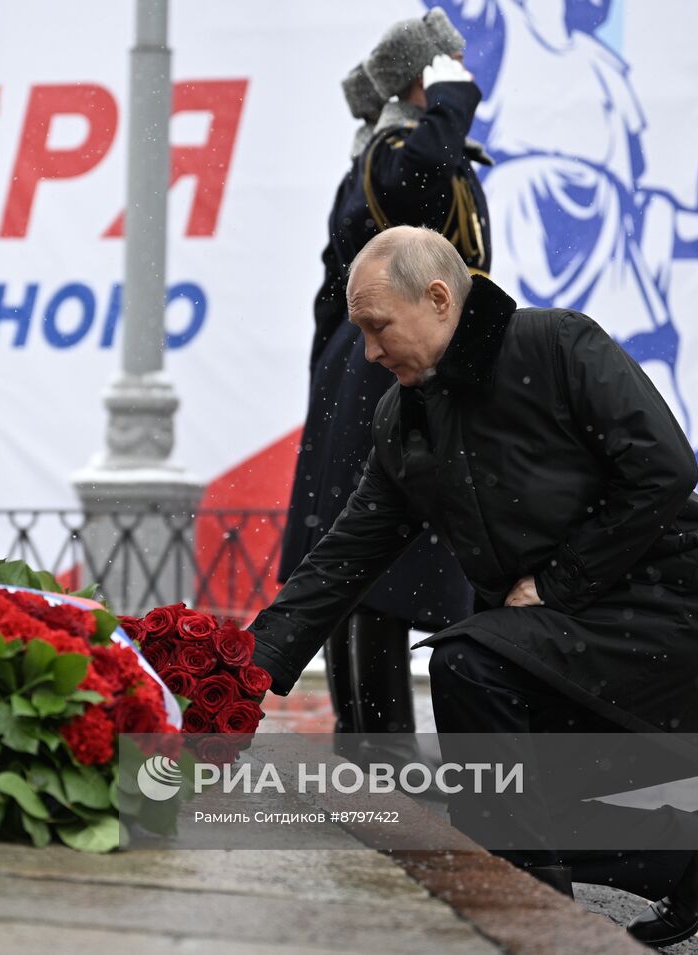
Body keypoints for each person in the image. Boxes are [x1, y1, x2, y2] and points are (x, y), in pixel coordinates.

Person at [252, 225, 698, 948]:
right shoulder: (405, 419)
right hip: (559, 625)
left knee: (468, 668)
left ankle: (536, 915)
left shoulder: (556, 344)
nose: (368, 350)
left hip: (658, 611)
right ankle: (684, 856)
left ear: (437, 298)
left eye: (377, 326)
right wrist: (245, 669)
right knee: (501, 800)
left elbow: (664, 469)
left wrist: (559, 580)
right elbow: (348, 552)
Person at [280, 8, 488, 758]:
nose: (463, 79)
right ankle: (376, 744)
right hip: (382, 374)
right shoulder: (400, 148)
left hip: (385, 370)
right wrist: (452, 102)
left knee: (381, 552)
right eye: (447, 69)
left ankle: (372, 740)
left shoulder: (397, 148)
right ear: (422, 76)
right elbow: (425, 178)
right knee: (375, 554)